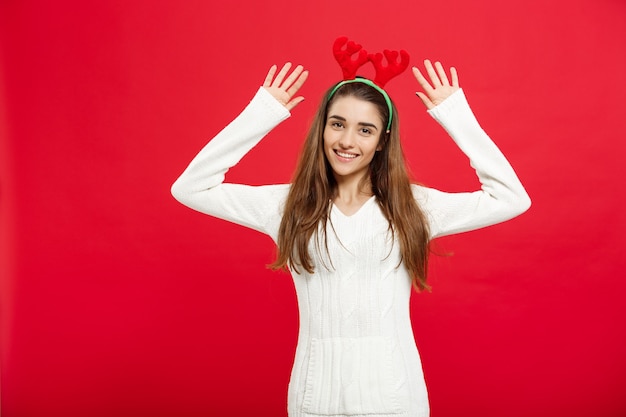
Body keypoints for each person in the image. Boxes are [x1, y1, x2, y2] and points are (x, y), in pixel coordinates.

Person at [171, 40, 531, 417]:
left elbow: (511, 198)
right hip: (314, 397)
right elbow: (190, 188)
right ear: (322, 129)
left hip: (395, 398)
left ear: (381, 141)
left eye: (365, 130)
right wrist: (262, 114)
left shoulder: (414, 207)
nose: (346, 141)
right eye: (338, 124)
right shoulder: (287, 206)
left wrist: (455, 116)